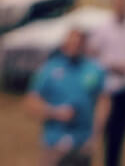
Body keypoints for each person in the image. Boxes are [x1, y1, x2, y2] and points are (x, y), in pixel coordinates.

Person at [24, 28, 110, 166]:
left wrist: (96, 135)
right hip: (55, 142)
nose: (74, 47)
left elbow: (104, 101)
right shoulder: (49, 68)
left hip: (82, 143)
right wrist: (55, 112)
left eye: (78, 43)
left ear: (84, 45)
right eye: (71, 43)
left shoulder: (94, 70)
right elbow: (31, 103)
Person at [89, 0, 125, 166]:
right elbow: (92, 53)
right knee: (108, 134)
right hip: (109, 88)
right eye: (118, 4)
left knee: (122, 132)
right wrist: (114, 66)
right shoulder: (103, 27)